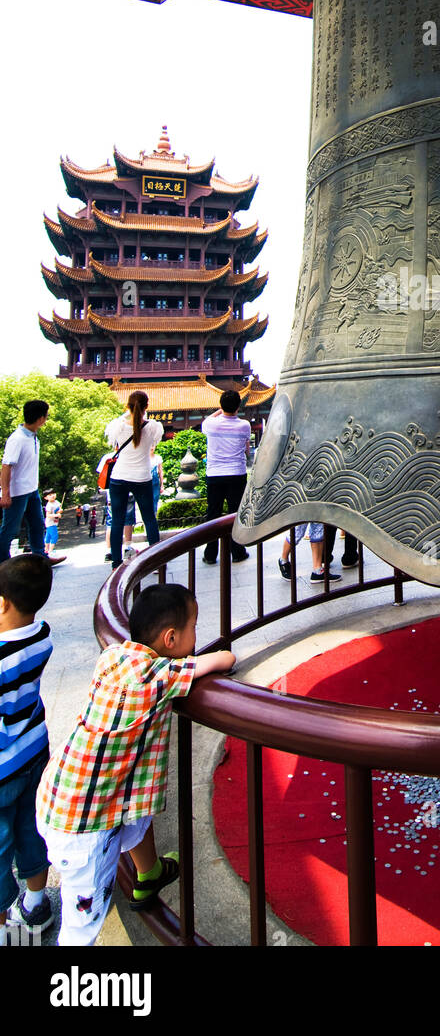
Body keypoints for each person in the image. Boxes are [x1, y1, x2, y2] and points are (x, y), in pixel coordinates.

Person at [36, 585, 234, 945]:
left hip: (60, 792)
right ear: (171, 638)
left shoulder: (113, 657)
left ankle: (149, 874)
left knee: (135, 819)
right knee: (82, 924)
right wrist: (216, 656)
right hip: (84, 826)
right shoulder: (159, 678)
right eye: (194, 627)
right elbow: (223, 661)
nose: (196, 635)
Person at [0, 555, 54, 939]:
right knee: (31, 830)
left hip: (2, 771)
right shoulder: (42, 635)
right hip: (35, 752)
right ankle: (36, 906)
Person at [0, 401, 64, 567]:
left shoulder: (33, 437)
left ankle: (41, 557)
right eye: (46, 416)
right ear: (41, 418)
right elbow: (6, 466)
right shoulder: (17, 439)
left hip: (32, 490)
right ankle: (3, 563)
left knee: (37, 525)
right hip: (17, 492)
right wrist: (6, 493)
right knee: (9, 529)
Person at [104, 393, 163, 572]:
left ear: (127, 406)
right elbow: (155, 440)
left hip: (119, 478)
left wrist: (128, 413)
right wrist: (140, 413)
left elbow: (111, 438)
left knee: (117, 521)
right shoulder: (153, 427)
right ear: (147, 406)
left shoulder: (117, 426)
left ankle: (116, 564)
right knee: (149, 519)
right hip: (141, 477)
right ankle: (156, 561)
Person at [201, 392, 251, 565]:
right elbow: (247, 450)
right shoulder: (244, 426)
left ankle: (210, 554)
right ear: (238, 407)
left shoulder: (210, 424)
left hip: (214, 474)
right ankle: (237, 551)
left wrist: (219, 410)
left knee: (213, 513)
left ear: (221, 406)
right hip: (236, 473)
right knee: (235, 513)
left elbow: (208, 420)